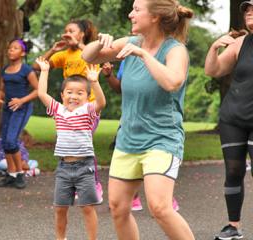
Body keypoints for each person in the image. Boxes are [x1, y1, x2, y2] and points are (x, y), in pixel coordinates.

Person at [82, 0, 194, 239]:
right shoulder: (130, 43)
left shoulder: (175, 50)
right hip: (128, 140)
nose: (131, 14)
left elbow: (172, 82)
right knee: (118, 208)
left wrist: (143, 54)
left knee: (160, 208)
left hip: (162, 139)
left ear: (154, 17)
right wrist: (99, 43)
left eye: (136, 9)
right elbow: (88, 57)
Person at [32, 19, 104, 203]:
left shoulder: (91, 50)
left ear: (82, 34)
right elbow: (37, 66)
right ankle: (73, 182)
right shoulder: (65, 54)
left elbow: (94, 59)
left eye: (71, 30)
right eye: (65, 30)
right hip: (69, 108)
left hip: (88, 106)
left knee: (84, 141)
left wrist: (78, 44)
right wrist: (53, 50)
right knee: (71, 142)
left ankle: (93, 184)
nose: (67, 33)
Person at [36, 56, 105, 240]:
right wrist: (44, 71)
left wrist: (94, 82)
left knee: (88, 207)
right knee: (60, 208)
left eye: (79, 93)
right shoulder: (58, 110)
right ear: (62, 95)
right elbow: (42, 94)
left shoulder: (88, 111)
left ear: (86, 96)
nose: (73, 96)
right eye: (69, 92)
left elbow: (101, 102)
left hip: (85, 167)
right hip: (64, 168)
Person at [102, 61, 180, 212]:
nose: (132, 36)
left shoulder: (165, 54)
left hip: (157, 128)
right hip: (130, 124)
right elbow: (120, 88)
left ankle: (166, 200)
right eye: (131, 34)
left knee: (155, 170)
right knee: (118, 204)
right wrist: (109, 75)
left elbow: (171, 84)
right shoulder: (128, 59)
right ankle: (134, 198)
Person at [205, 1, 253, 239]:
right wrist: (214, 48)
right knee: (233, 170)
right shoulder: (241, 43)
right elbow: (213, 71)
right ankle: (233, 226)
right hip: (233, 118)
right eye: (247, 10)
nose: (249, 13)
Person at [0, 39, 38, 189]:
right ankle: (11, 175)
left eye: (15, 48)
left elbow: (38, 90)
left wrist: (21, 100)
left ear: (23, 53)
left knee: (12, 141)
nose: (11, 50)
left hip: (22, 109)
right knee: (5, 141)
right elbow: (1, 89)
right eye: (10, 48)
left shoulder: (27, 70)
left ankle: (20, 174)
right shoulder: (5, 69)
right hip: (8, 108)